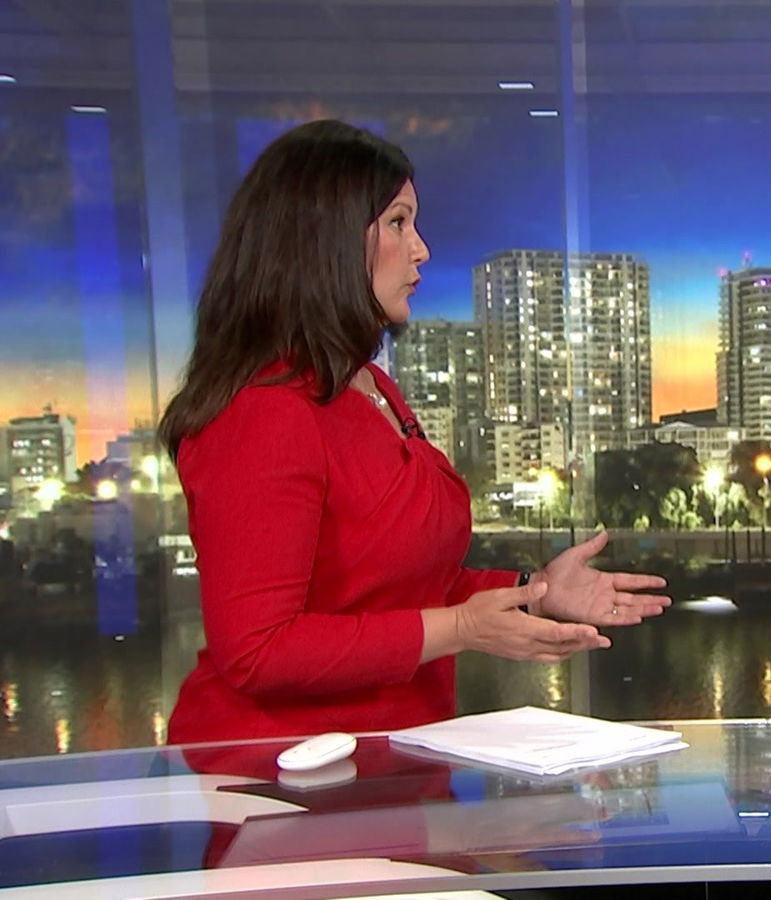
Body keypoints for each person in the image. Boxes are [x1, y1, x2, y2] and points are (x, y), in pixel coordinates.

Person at [158, 119, 670, 743]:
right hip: (277, 782)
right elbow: (258, 651)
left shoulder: (373, 388)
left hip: (391, 768)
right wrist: (462, 630)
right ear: (327, 241)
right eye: (399, 222)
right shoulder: (262, 414)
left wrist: (534, 591)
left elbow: (400, 588)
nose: (422, 248)